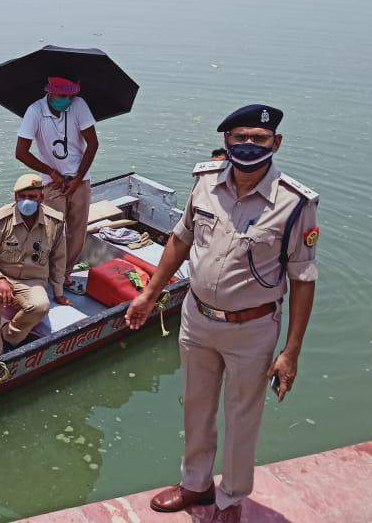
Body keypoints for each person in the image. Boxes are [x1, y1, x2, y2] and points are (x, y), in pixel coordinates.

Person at [125, 105, 319, 523]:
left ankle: (231, 500)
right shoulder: (206, 184)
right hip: (196, 319)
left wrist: (292, 351)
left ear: (276, 144)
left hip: (252, 328)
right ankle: (196, 485)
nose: (248, 146)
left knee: (242, 416)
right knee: (195, 404)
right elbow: (180, 240)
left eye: (259, 139)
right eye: (240, 138)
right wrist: (150, 295)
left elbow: (303, 279)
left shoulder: (294, 203)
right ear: (227, 142)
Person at [0, 174, 69, 361]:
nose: (27, 201)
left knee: (41, 305)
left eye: (32, 197)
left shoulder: (55, 222)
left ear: (41, 197)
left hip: (32, 281)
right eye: (22, 196)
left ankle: (9, 335)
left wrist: (58, 292)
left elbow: (59, 259)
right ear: (15, 197)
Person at [15, 76, 99, 272]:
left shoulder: (79, 105)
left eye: (71, 95)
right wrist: (51, 172)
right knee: (51, 232)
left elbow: (93, 144)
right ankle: (48, 272)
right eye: (63, 95)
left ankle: (65, 273)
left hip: (80, 178)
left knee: (77, 231)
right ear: (50, 93)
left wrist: (78, 179)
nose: (67, 100)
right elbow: (21, 152)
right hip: (53, 183)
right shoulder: (35, 112)